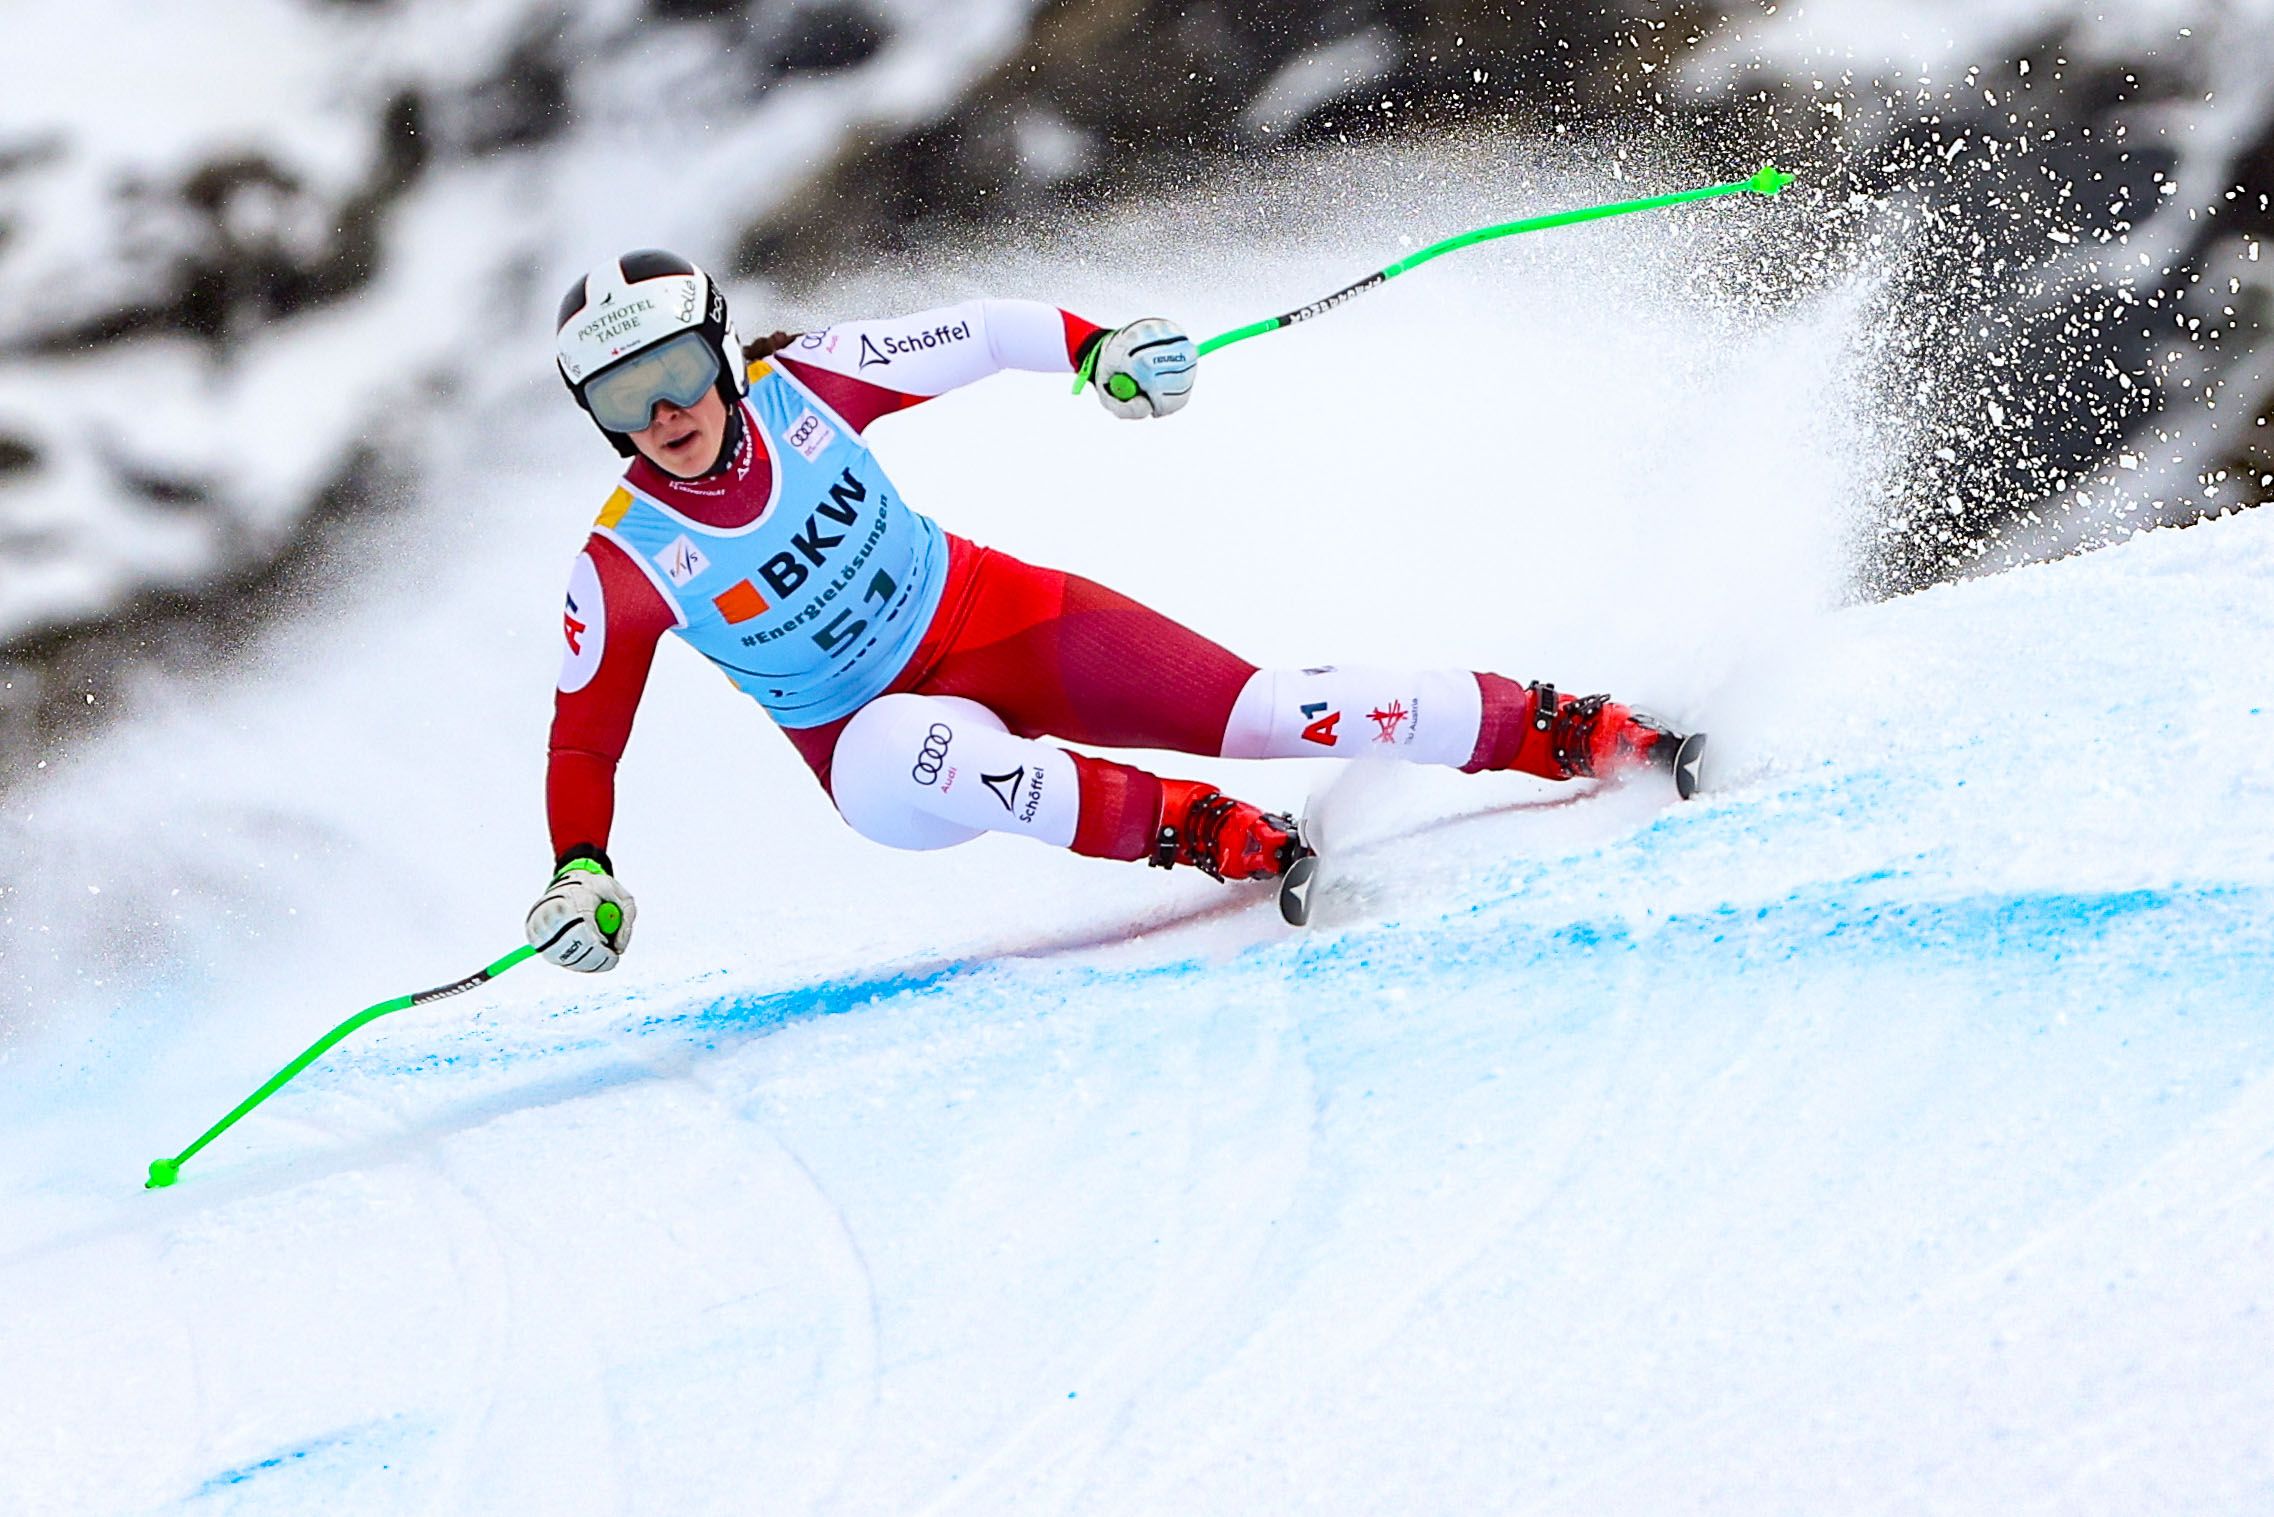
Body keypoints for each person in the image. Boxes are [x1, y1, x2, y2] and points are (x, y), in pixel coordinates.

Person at [526, 250, 1700, 971]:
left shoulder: (813, 384)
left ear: (725, 352)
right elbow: (585, 733)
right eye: (625, 397)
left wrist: (1100, 352)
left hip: (995, 616)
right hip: (871, 754)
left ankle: (1566, 728)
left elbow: (981, 335)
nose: (664, 411)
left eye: (677, 368)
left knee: (1270, 703)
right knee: (914, 743)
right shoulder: (627, 560)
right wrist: (583, 869)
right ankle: (1198, 828)